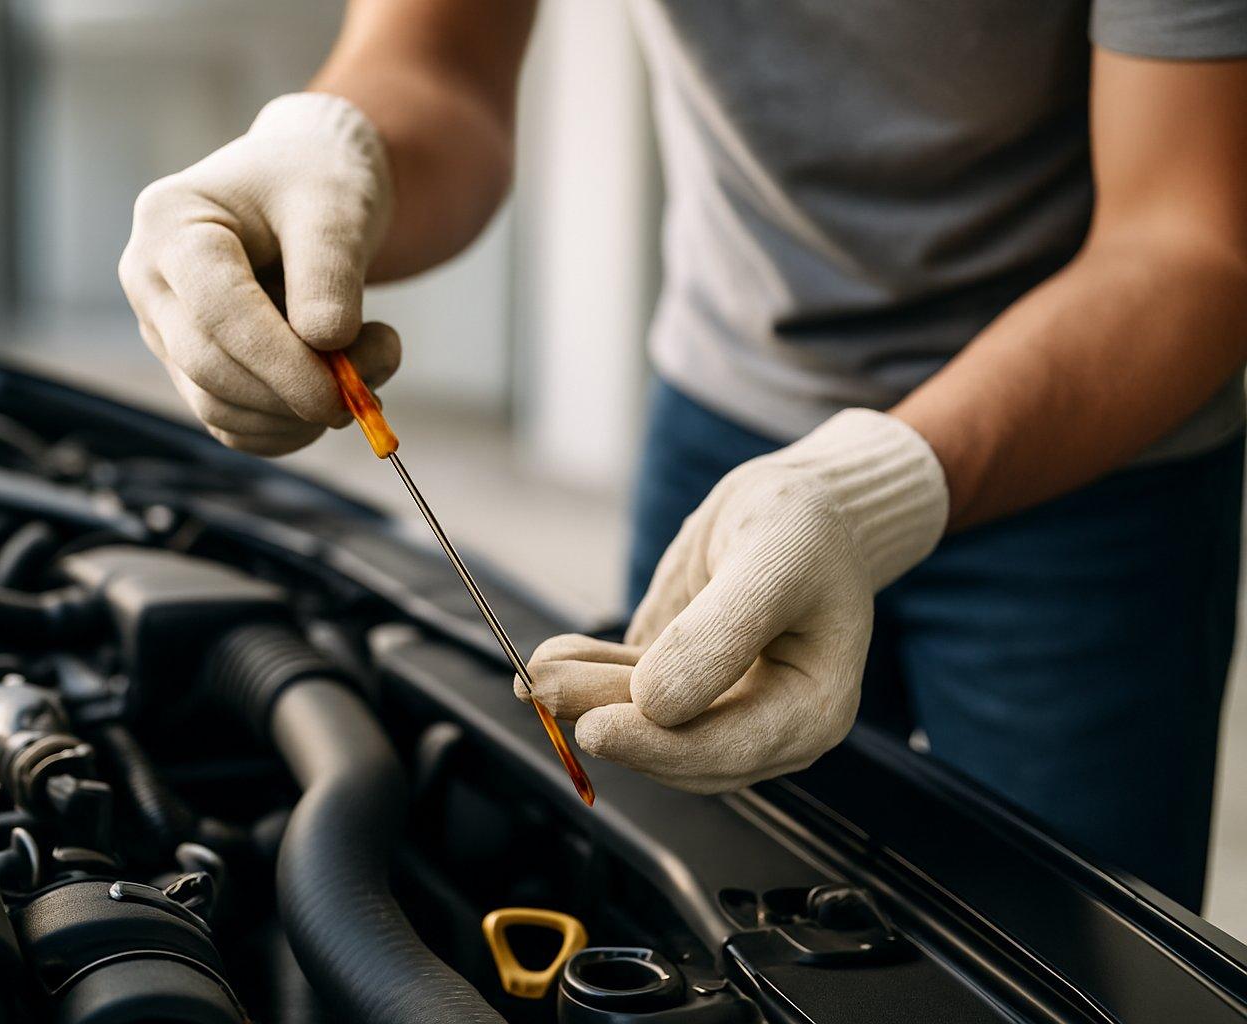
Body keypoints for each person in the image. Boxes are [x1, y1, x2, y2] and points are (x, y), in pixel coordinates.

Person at [120, 0, 1247, 909]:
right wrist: (328, 153)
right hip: (732, 407)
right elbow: (438, 55)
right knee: (692, 905)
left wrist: (869, 493)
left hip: (1097, 450)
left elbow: (1189, 236)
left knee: (1063, 958)